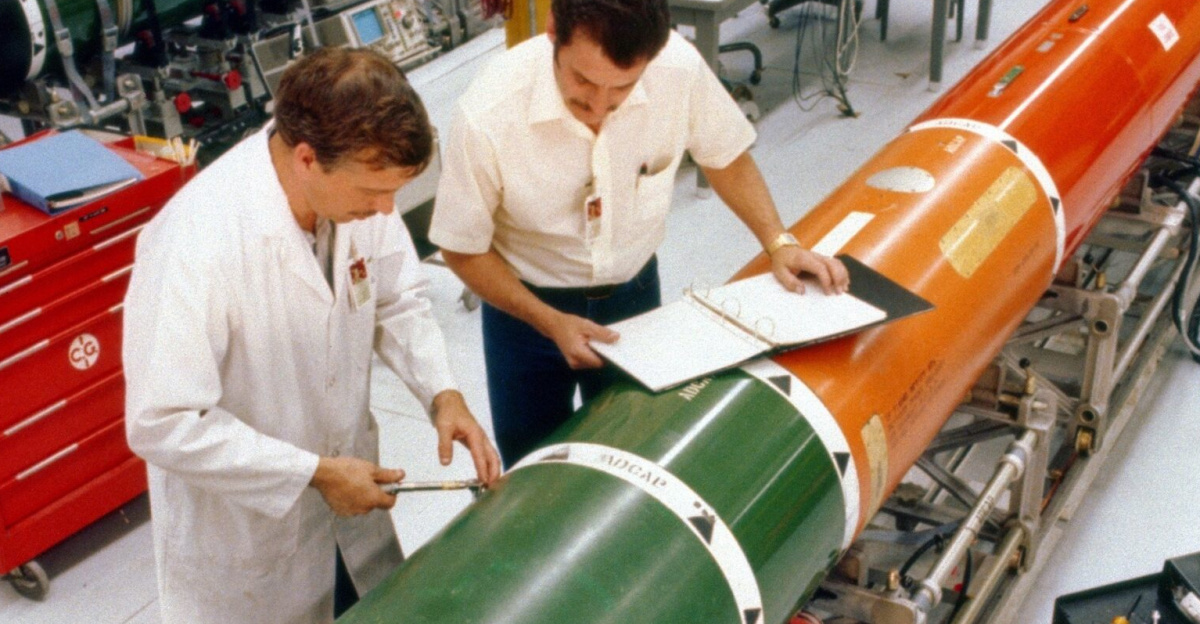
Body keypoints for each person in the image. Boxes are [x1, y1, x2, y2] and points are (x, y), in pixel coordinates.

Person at [123, 47, 501, 624]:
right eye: (373, 194)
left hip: (350, 519)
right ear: (306, 159)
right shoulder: (194, 242)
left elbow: (398, 297)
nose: (386, 211)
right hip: (249, 544)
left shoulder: (357, 190)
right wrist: (314, 473)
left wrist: (442, 392)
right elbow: (163, 420)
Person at [429, 0, 850, 467]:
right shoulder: (489, 112)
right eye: (582, 84)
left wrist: (778, 242)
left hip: (633, 299)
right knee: (532, 466)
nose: (597, 110)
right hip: (523, 313)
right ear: (553, 29)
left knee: (635, 454)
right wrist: (548, 321)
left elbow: (725, 156)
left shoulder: (678, 69)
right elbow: (461, 248)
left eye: (621, 91)